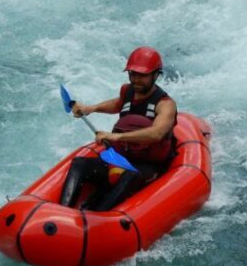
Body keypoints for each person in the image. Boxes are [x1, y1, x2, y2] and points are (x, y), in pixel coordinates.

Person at [60, 46, 178, 211]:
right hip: (121, 157)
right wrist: (90, 109)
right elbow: (118, 104)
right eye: (132, 74)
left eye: (142, 75)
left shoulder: (165, 104)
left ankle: (98, 217)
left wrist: (116, 137)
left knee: (130, 175)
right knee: (80, 164)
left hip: (149, 165)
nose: (136, 79)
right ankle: (63, 210)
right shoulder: (128, 91)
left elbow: (157, 133)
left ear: (156, 75)